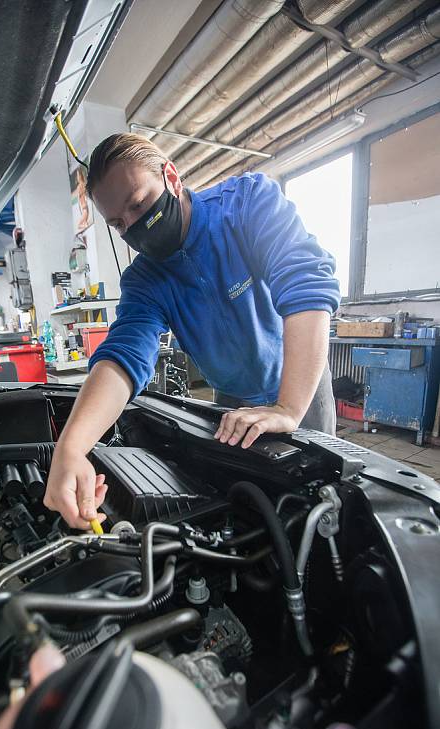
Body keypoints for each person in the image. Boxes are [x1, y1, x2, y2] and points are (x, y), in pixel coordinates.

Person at [45, 133, 340, 530]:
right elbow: (124, 354)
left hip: (302, 382)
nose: (135, 227)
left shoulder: (246, 205)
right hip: (232, 399)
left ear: (171, 176)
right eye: (118, 223)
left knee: (320, 503)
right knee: (252, 509)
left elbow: (306, 285)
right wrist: (72, 449)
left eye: (139, 205)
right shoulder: (146, 281)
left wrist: (288, 409)